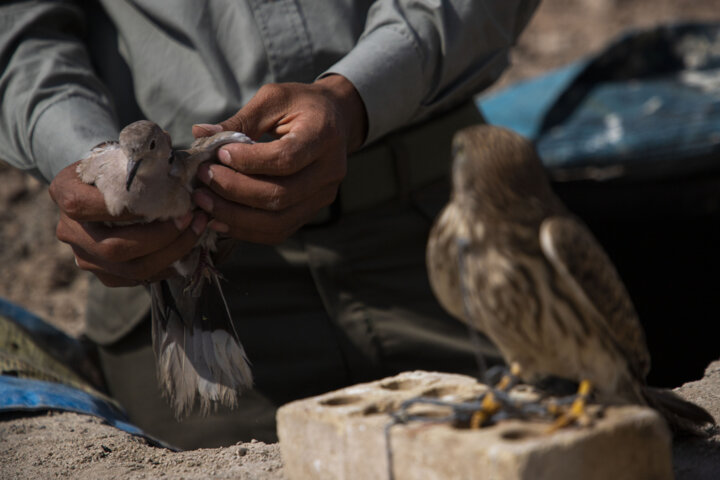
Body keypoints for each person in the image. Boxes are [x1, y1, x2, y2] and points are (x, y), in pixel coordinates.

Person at [0, 0, 539, 449]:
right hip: (167, 265)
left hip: (442, 229)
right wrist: (95, 174)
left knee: (540, 442)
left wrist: (354, 98)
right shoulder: (134, 168)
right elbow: (19, 33)